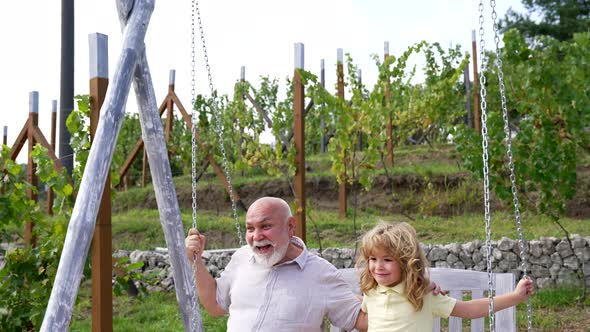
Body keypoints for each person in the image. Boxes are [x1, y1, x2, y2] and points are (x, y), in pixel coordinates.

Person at [185, 196, 367, 331]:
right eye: (250, 228)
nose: (256, 236)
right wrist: (196, 261)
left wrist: (388, 296)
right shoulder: (241, 258)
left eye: (265, 226)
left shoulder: (321, 273)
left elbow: (360, 319)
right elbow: (215, 306)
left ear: (290, 226)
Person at [357, 221, 535, 332]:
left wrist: (515, 297)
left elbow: (469, 310)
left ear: (406, 262)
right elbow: (364, 312)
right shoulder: (371, 292)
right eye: (373, 259)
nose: (377, 266)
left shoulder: (422, 294)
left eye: (387, 259)